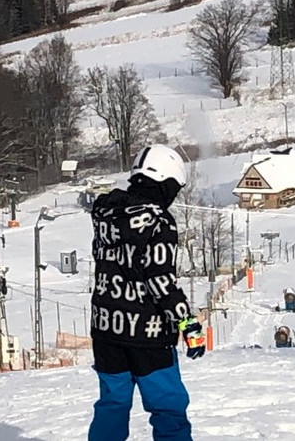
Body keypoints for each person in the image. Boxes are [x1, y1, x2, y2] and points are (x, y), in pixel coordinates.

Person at [88, 144, 206, 441]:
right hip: (148, 335)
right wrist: (187, 322)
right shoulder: (158, 220)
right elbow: (159, 279)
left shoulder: (106, 213)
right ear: (165, 182)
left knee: (112, 404)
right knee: (168, 408)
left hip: (105, 328)